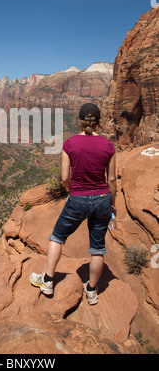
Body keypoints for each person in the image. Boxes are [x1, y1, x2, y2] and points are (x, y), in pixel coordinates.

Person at [30, 103, 117, 305]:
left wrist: (73, 189)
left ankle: (48, 280)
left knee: (57, 237)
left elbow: (63, 177)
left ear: (79, 121)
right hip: (102, 199)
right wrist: (112, 204)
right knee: (97, 248)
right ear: (98, 122)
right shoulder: (108, 146)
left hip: (78, 198)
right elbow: (111, 180)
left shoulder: (70, 144)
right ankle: (92, 290)